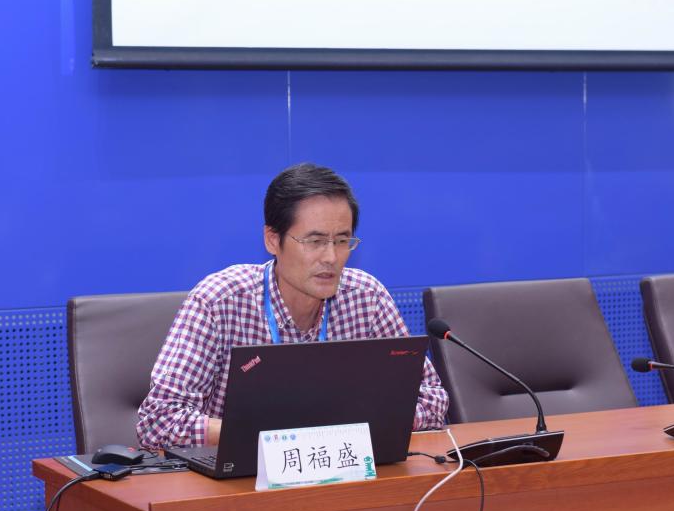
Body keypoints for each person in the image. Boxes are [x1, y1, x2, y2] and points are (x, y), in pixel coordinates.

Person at [137, 163, 449, 449]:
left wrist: (350, 427)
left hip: (343, 472)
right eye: (315, 241)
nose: (331, 257)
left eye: (342, 241)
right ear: (273, 240)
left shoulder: (367, 298)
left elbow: (432, 400)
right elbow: (159, 421)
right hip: (240, 478)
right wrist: (274, 433)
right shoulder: (219, 302)